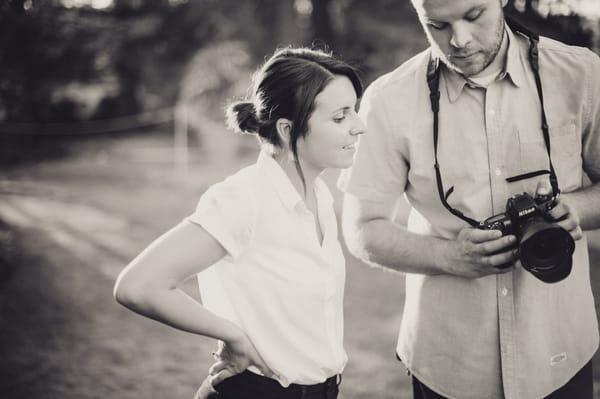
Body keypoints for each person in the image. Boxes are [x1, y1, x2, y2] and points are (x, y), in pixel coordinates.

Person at [338, 0, 600, 398]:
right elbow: (361, 228)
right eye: (437, 25)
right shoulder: (389, 99)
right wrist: (448, 257)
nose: (458, 40)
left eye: (474, 16)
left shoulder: (580, 73)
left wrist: (573, 210)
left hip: (560, 351)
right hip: (448, 364)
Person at [113, 46, 365, 399]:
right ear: (288, 129)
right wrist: (232, 335)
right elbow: (138, 285)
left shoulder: (319, 195)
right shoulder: (243, 199)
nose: (360, 126)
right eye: (341, 117)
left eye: (354, 110)